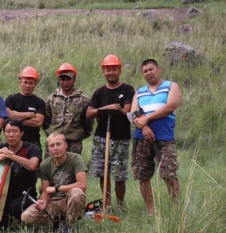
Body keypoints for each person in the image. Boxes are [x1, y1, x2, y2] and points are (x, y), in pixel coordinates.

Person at [131, 59, 182, 215]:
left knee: (169, 174)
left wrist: (147, 118)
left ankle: (178, 209)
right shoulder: (139, 92)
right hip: (141, 137)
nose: (149, 73)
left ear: (158, 69)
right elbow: (134, 114)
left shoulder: (171, 86)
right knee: (142, 175)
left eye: (151, 69)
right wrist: (144, 126)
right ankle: (151, 211)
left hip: (164, 137)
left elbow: (170, 106)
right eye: (145, 71)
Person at [86, 55, 135, 210]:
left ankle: (120, 206)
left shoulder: (127, 89)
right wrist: (107, 108)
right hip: (101, 137)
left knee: (119, 175)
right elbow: (89, 113)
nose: (111, 72)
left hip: (121, 137)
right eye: (108, 69)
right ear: (103, 71)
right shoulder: (99, 92)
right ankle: (107, 205)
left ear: (120, 69)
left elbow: (126, 110)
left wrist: (112, 110)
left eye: (114, 69)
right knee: (103, 172)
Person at [21, 133, 87, 233]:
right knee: (26, 216)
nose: (55, 148)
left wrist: (57, 189)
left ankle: (68, 225)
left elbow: (82, 185)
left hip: (70, 200)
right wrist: (42, 202)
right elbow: (45, 191)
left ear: (66, 145)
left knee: (77, 193)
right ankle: (55, 221)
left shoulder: (75, 159)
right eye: (52, 145)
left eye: (58, 144)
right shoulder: (45, 165)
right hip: (54, 202)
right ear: (48, 149)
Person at [0, 119, 42, 229]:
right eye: (7, 131)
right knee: (1, 224)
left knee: (14, 208)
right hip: (4, 193)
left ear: (22, 133)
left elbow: (32, 165)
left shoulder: (32, 148)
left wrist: (10, 156)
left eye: (14, 131)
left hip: (26, 194)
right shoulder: (1, 148)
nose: (11, 135)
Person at [43, 63, 92, 155]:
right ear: (59, 80)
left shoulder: (84, 100)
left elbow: (88, 123)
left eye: (68, 79)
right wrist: (52, 135)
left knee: (72, 169)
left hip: (73, 144)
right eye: (62, 79)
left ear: (74, 79)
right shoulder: (51, 99)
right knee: (51, 168)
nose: (65, 82)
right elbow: (46, 121)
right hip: (54, 143)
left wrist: (77, 135)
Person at [5, 66, 46, 149]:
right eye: (25, 82)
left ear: (35, 84)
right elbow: (8, 114)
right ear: (20, 82)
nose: (27, 86)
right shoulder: (11, 99)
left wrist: (15, 118)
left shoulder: (39, 102)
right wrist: (29, 114)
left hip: (33, 142)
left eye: (31, 83)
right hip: (13, 143)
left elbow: (38, 122)